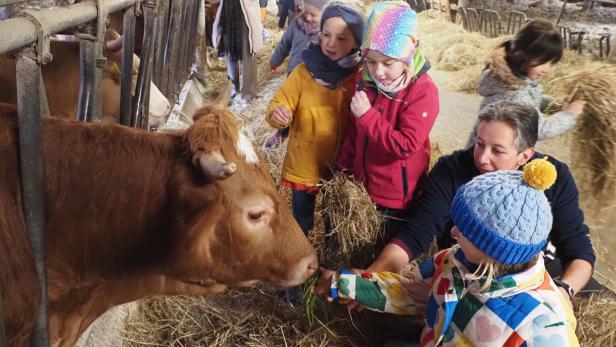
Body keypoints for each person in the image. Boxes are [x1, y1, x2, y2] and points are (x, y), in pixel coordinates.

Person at [347, 101, 596, 310]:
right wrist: (374, 275)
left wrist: (563, 291)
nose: (482, 158)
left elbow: (578, 249)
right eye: (479, 144)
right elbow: (416, 233)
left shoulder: (554, 177)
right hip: (466, 275)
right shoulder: (452, 170)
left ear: (525, 156)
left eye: (497, 150)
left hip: (526, 277)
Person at [319, 160, 580, 346]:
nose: (453, 232)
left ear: (492, 249)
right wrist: (344, 284)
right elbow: (409, 291)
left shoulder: (544, 329)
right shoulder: (453, 261)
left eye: (465, 231)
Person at [265, 3, 365, 301]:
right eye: (325, 35)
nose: (331, 44)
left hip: (341, 173)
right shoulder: (304, 71)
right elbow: (278, 104)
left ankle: (330, 286)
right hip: (304, 164)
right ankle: (293, 285)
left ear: (357, 42)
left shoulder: (359, 77)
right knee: (300, 225)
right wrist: (278, 114)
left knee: (336, 230)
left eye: (342, 38)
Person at [337, 1, 439, 243]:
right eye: (371, 61)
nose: (378, 72)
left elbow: (405, 146)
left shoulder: (422, 92)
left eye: (388, 62)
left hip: (395, 197)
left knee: (383, 251)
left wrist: (368, 116)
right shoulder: (365, 80)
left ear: (408, 55)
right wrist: (343, 169)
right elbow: (354, 131)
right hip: (361, 189)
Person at [475, 19, 585, 143]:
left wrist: (548, 103)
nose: (548, 69)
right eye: (545, 61)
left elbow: (527, 97)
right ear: (525, 54)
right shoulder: (516, 95)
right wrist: (570, 115)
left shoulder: (507, 77)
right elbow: (539, 129)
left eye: (552, 63)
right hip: (491, 158)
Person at [264, 0, 330, 149]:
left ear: (326, 13)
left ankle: (308, 136)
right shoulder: (296, 23)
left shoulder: (328, 31)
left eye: (313, 14)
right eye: (305, 12)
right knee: (288, 106)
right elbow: (284, 45)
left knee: (309, 109)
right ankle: (282, 132)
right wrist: (274, 62)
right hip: (294, 74)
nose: (307, 18)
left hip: (317, 79)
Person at [212, 0, 263, 107]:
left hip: (244, 13)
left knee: (247, 50)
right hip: (227, 11)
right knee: (230, 51)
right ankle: (233, 90)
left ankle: (248, 93)